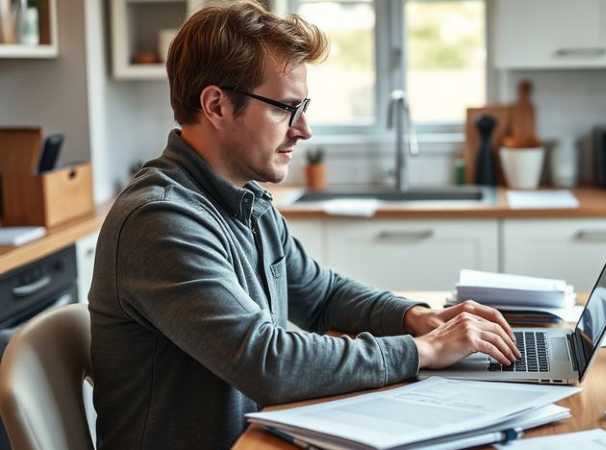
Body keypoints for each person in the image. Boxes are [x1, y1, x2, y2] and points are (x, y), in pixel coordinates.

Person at [88, 1, 519, 449]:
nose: (304, 129)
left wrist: (415, 319)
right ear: (216, 104)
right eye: (285, 108)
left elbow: (322, 295)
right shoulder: (160, 221)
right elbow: (268, 362)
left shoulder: (247, 200)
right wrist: (423, 351)